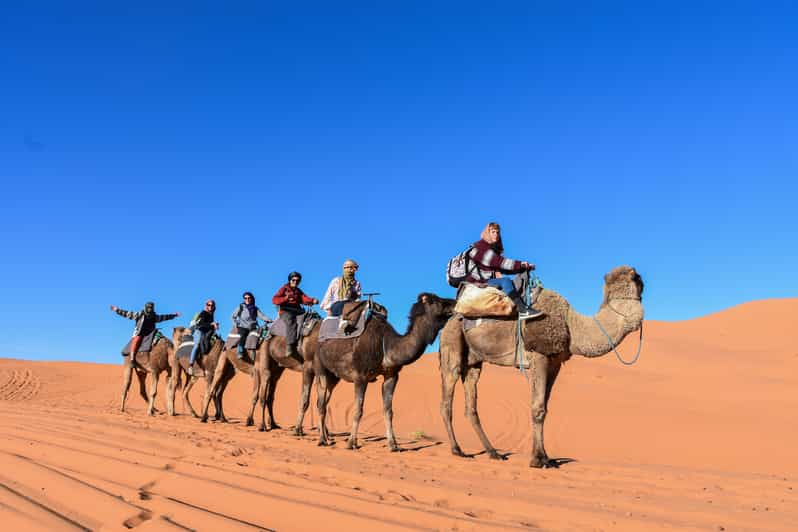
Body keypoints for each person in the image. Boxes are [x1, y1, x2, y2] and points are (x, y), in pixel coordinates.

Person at [464, 222, 543, 320]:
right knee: (505, 281)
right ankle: (523, 309)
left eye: (498, 232)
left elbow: (501, 267)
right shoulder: (480, 247)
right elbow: (500, 262)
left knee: (509, 281)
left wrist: (524, 268)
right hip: (478, 281)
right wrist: (520, 264)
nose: (496, 235)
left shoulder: (490, 249)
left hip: (486, 280)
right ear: (487, 233)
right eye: (493, 232)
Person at [111, 302, 181, 365]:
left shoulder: (154, 316)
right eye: (149, 308)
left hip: (151, 332)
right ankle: (132, 358)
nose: (150, 309)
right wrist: (116, 310)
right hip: (140, 332)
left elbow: (164, 317)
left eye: (151, 308)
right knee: (136, 339)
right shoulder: (139, 315)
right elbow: (126, 314)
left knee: (161, 338)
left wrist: (174, 315)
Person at [272, 272, 319, 358]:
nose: (295, 282)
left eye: (298, 280)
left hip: (298, 310)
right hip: (286, 311)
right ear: (290, 280)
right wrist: (286, 298)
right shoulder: (284, 289)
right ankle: (289, 345)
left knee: (313, 317)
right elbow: (275, 299)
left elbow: (304, 298)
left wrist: (312, 300)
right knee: (291, 322)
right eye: (293, 280)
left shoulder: (298, 291)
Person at [320, 258, 363, 331]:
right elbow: (327, 297)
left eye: (355, 268)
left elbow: (358, 299)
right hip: (337, 306)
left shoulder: (356, 283)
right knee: (343, 303)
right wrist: (328, 309)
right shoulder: (336, 281)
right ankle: (342, 322)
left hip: (351, 308)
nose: (353, 270)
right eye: (351, 268)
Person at [231, 292, 271, 360]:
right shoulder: (240, 307)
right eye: (245, 298)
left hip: (253, 327)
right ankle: (240, 351)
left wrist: (269, 320)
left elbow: (262, 316)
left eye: (249, 298)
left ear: (252, 299)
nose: (247, 299)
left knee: (257, 336)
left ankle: (254, 353)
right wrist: (235, 324)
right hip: (242, 326)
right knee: (242, 336)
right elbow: (233, 316)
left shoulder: (255, 308)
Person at [187, 299, 219, 375]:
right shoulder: (203, 313)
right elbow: (201, 324)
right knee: (197, 345)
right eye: (209, 305)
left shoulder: (211, 314)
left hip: (207, 333)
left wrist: (214, 326)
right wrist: (212, 324)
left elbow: (209, 325)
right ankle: (190, 365)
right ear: (206, 305)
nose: (210, 306)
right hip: (199, 331)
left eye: (212, 305)